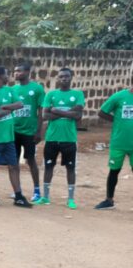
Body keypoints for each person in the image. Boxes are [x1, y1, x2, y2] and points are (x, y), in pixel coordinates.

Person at [0, 67, 32, 208]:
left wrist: (5, 106)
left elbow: (20, 104)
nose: (8, 76)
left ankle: (18, 196)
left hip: (9, 137)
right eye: (6, 74)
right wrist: (10, 108)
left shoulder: (10, 90)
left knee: (14, 166)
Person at [36, 68, 84, 209]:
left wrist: (56, 110)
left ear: (71, 78)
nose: (64, 78)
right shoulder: (51, 94)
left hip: (69, 138)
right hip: (52, 138)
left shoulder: (77, 94)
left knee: (71, 168)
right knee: (48, 167)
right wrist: (69, 111)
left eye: (67, 76)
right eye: (61, 76)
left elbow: (78, 115)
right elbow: (45, 115)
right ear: (57, 78)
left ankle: (70, 199)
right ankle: (45, 197)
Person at [95, 79, 133, 210]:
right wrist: (117, 120)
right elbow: (102, 112)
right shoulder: (119, 96)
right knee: (114, 171)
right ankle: (109, 200)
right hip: (119, 142)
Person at [12, 61, 45, 203]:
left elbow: (41, 111)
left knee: (30, 160)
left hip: (29, 131)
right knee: (14, 162)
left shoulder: (37, 89)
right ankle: (17, 190)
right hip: (14, 130)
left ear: (27, 72)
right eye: (15, 71)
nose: (16, 73)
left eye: (19, 71)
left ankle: (37, 190)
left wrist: (38, 131)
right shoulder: (13, 89)